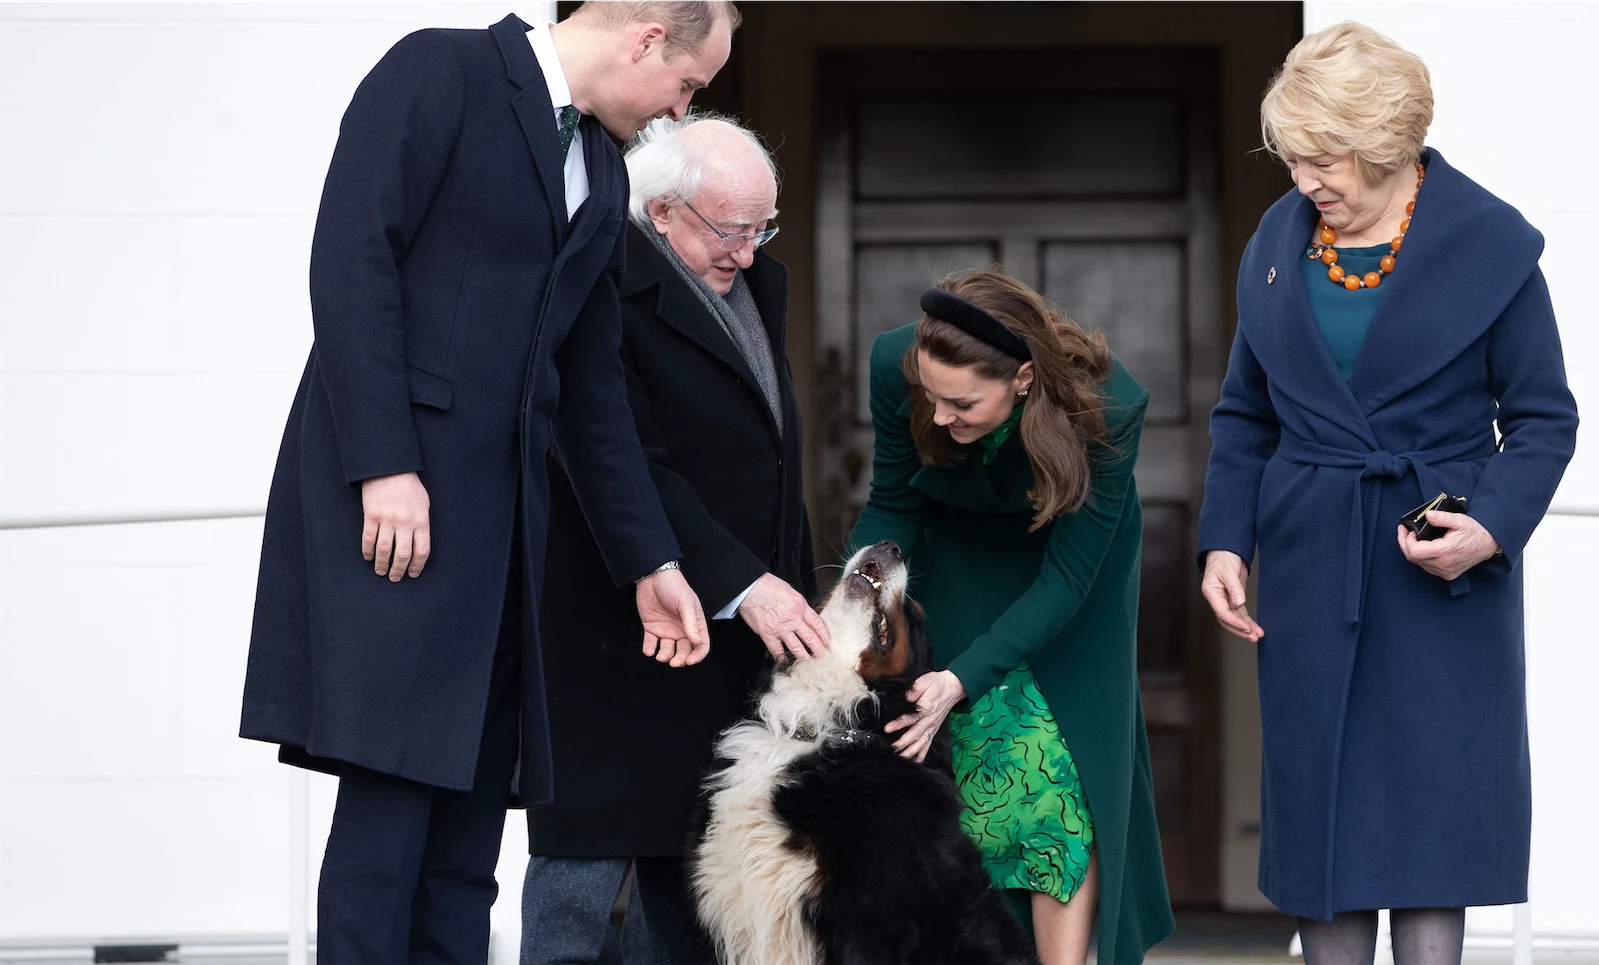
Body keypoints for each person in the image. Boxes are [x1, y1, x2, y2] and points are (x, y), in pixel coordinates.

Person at [238, 3, 737, 962]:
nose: (680, 110)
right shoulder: (441, 72)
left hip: (508, 530)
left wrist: (648, 558)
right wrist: (385, 465)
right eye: (686, 85)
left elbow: (591, 387)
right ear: (644, 40)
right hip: (399, 508)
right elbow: (351, 262)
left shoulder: (601, 164)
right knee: (388, 821)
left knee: (468, 841)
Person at [1196, 21, 1579, 965]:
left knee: (1430, 829)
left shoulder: (1492, 246)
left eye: (1324, 159)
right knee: (1323, 823)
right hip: (1312, 563)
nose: (1305, 181)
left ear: (1385, 146)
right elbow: (1246, 414)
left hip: (1438, 575)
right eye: (1293, 159)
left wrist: (1487, 527)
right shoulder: (1278, 243)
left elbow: (1543, 418)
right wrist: (1223, 540)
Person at [522, 115, 826, 965]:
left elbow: (767, 460)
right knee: (586, 869)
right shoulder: (602, 289)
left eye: (763, 226)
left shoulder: (753, 282)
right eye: (731, 228)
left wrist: (783, 581)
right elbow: (634, 464)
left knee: (693, 873)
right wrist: (744, 581)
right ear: (661, 212)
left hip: (730, 628)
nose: (750, 249)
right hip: (625, 623)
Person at [848, 268, 1174, 965]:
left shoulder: (1108, 408)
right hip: (958, 554)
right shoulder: (895, 363)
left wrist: (961, 678)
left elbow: (1067, 580)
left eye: (961, 402)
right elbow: (893, 502)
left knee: (1056, 775)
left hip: (1070, 574)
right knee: (963, 771)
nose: (938, 417)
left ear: (1023, 378)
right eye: (929, 397)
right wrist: (857, 598)